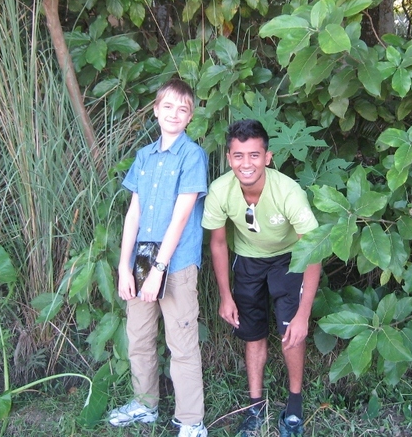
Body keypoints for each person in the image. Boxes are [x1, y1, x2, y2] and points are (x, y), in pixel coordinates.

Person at [202, 119, 320, 437]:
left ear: (267, 157)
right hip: (248, 259)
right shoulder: (220, 190)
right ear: (229, 158)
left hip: (289, 258)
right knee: (252, 333)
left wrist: (303, 315)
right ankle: (255, 407)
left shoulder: (288, 191)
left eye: (254, 155)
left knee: (291, 331)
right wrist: (225, 295)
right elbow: (217, 243)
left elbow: (313, 250)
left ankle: (294, 407)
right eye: (238, 156)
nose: (246, 163)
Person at [107, 78, 208, 437]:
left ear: (190, 116)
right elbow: (133, 214)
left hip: (175, 262)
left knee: (181, 343)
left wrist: (159, 270)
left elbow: (181, 217)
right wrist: (124, 266)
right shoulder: (144, 157)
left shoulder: (192, 156)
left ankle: (192, 421)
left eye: (183, 109)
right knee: (139, 336)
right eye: (168, 106)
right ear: (155, 110)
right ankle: (145, 404)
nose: (174, 114)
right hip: (142, 260)